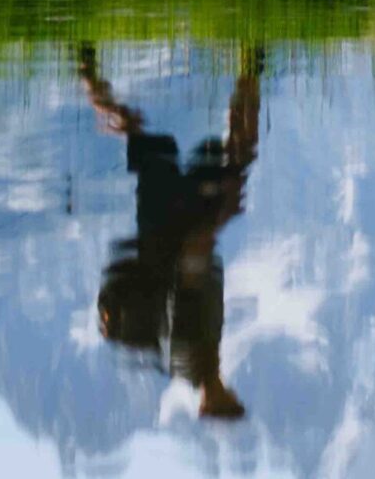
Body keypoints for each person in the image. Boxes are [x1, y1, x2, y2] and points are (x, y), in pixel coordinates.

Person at [78, 41, 263, 420]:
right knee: (146, 133)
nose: (230, 392)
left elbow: (191, 256)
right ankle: (85, 69)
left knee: (236, 154)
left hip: (173, 219)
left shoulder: (194, 354)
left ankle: (252, 62)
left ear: (210, 402)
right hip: (166, 224)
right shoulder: (192, 364)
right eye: (233, 398)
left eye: (226, 401)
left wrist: (224, 210)